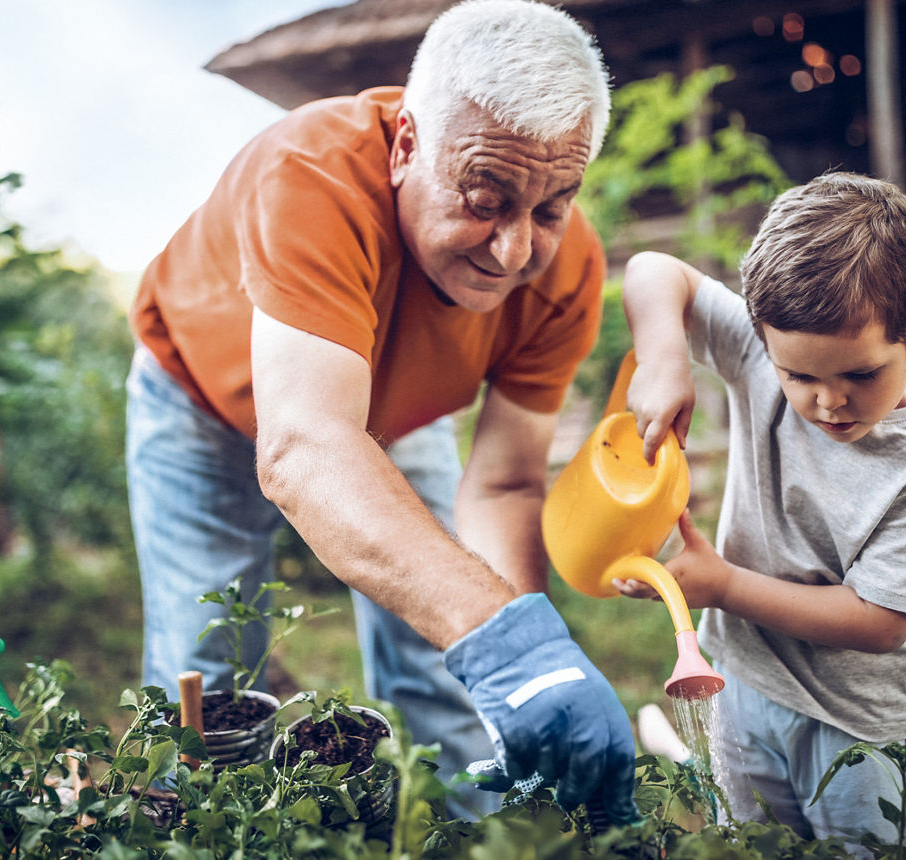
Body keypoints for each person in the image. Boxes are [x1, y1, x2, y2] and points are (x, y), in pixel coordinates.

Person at [125, 0, 637, 823]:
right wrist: (507, 641)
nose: (513, 251)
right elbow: (306, 447)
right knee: (210, 671)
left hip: (394, 413)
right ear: (406, 145)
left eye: (549, 207)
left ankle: (480, 831)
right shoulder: (313, 171)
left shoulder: (565, 270)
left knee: (450, 663)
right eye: (483, 196)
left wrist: (536, 658)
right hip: (202, 400)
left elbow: (503, 485)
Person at [615, 172, 906, 857]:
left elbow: (883, 622)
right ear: (763, 337)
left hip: (853, 724)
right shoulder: (755, 351)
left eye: (860, 375)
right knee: (750, 847)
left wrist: (725, 587)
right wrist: (664, 356)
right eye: (799, 377)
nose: (828, 402)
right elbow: (653, 270)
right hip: (741, 682)